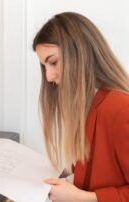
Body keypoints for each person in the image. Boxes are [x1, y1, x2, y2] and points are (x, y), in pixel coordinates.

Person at [33, 12, 129, 202]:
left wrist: (85, 198)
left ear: (80, 53)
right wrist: (70, 177)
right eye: (44, 66)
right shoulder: (88, 106)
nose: (49, 77)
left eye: (53, 62)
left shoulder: (120, 109)